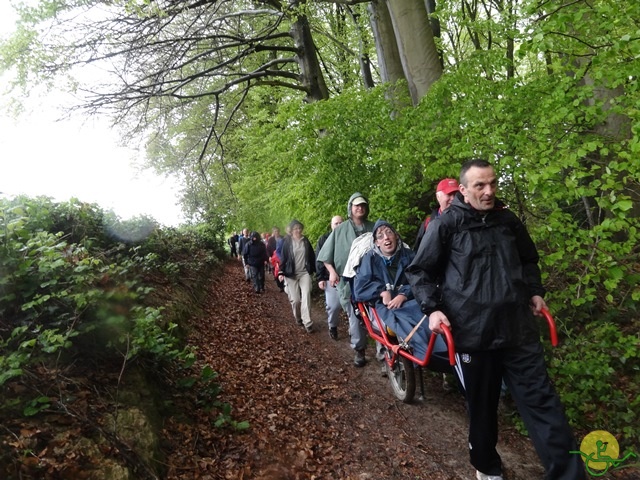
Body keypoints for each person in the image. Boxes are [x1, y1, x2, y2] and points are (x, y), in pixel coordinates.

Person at [406, 159, 586, 480]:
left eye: (492, 184)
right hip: (471, 333)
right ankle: (487, 467)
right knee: (483, 407)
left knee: (542, 402)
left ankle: (568, 474)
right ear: (463, 190)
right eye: (480, 185)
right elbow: (420, 271)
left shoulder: (508, 220)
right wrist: (432, 308)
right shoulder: (446, 225)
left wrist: (534, 290)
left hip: (518, 329)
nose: (488, 191)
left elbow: (529, 259)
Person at [353, 220, 445, 360]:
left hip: (412, 300)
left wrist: (404, 295)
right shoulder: (369, 260)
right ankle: (426, 354)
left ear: (396, 236)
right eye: (380, 236)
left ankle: (441, 351)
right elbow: (359, 289)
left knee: (429, 313)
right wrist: (381, 292)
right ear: (376, 242)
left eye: (389, 232)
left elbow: (422, 279)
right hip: (385, 306)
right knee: (402, 321)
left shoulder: (409, 255)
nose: (386, 238)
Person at [317, 193, 375, 367]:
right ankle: (359, 350)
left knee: (378, 315)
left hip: (373, 280)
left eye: (363, 205)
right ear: (350, 208)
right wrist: (332, 272)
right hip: (349, 282)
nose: (360, 208)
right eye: (356, 205)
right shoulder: (340, 230)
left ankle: (384, 353)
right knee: (355, 316)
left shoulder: (374, 227)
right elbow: (325, 256)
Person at [277, 220, 316, 333]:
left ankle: (307, 322)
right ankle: (298, 318)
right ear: (291, 230)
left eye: (299, 228)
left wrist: (315, 270)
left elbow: (311, 256)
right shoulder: (287, 242)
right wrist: (281, 272)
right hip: (291, 274)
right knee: (296, 300)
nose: (298, 230)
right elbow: (283, 258)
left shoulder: (305, 241)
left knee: (307, 295)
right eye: (295, 228)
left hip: (304, 273)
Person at [315, 215, 344, 340]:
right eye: (335, 223)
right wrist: (320, 278)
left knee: (351, 307)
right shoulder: (324, 239)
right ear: (331, 225)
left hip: (347, 277)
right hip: (329, 277)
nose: (338, 225)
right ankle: (332, 326)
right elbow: (319, 259)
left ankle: (354, 331)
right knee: (333, 305)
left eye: (340, 223)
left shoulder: (348, 237)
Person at [413, 177, 459, 251]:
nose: (453, 198)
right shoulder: (428, 223)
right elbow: (418, 252)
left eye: (456, 195)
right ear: (438, 197)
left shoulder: (468, 219)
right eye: (449, 194)